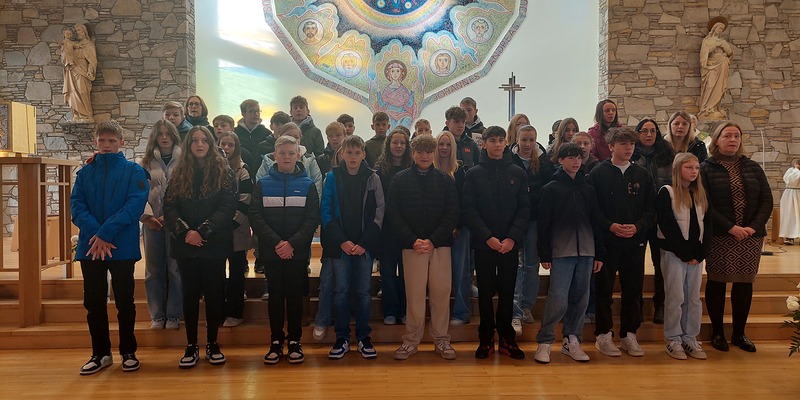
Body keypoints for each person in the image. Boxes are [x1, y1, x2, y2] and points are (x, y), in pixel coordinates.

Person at [71, 120, 149, 375]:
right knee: (94, 302)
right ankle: (100, 353)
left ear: (121, 143)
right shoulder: (85, 173)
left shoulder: (134, 171)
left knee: (125, 301)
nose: (106, 145)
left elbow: (134, 205)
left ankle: (128, 352)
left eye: (112, 141)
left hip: (121, 245)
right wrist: (97, 235)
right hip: (91, 246)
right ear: (95, 142)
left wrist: (105, 233)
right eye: (102, 140)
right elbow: (77, 207)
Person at [164, 126, 238, 368]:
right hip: (186, 244)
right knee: (190, 295)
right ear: (188, 145)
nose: (199, 144)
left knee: (215, 294)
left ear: (210, 144)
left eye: (204, 140)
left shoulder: (224, 171)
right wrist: (186, 232)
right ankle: (191, 344)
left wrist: (203, 231)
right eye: (194, 140)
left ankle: (213, 343)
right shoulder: (178, 172)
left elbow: (227, 206)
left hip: (213, 243)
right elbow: (169, 206)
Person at [701, 121, 772, 353]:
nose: (733, 140)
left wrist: (753, 227)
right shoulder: (706, 168)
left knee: (744, 283)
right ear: (717, 139)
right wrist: (731, 227)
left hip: (750, 237)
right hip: (721, 235)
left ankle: (739, 333)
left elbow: (766, 200)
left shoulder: (752, 167)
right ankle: (717, 332)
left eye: (737, 136)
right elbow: (704, 203)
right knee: (717, 283)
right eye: (727, 135)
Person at [389, 135, 460, 360]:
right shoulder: (400, 180)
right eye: (420, 152)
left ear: (434, 154)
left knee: (441, 294)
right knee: (415, 297)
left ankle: (441, 340)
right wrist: (413, 240)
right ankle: (411, 341)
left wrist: (433, 240)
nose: (424, 156)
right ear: (413, 153)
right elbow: (394, 214)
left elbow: (452, 213)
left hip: (439, 247)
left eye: (429, 152)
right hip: (412, 247)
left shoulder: (445, 180)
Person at [533, 142, 605, 364]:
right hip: (561, 251)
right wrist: (544, 254)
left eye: (579, 157)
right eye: (571, 157)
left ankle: (572, 339)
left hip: (586, 251)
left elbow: (597, 222)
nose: (576, 161)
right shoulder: (551, 189)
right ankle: (545, 341)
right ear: (561, 160)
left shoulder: (588, 189)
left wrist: (599, 253)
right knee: (558, 298)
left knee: (581, 298)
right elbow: (544, 225)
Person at [251, 135, 320, 365]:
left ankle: (295, 341)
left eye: (291, 153)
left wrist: (291, 244)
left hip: (296, 253)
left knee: (294, 297)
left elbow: (311, 219)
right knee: (275, 297)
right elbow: (256, 217)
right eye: (282, 153)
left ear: (298, 155)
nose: (287, 157)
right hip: (272, 252)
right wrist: (277, 243)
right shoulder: (262, 184)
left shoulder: (308, 184)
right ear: (275, 155)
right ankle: (275, 340)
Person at [462, 126, 529, 360]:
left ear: (505, 143)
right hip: (485, 244)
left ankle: (507, 339)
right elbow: (469, 209)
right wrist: (487, 237)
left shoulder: (517, 172)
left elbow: (524, 208)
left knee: (508, 293)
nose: (498, 144)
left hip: (509, 244)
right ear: (484, 144)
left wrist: (511, 238)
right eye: (493, 140)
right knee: (485, 294)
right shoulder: (474, 174)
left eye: (501, 140)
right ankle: (486, 339)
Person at [589, 127, 655, 358]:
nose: (629, 148)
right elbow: (593, 208)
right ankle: (603, 335)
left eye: (632, 144)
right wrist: (609, 225)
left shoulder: (642, 174)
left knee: (633, 289)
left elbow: (650, 208)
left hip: (634, 241)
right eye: (623, 144)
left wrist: (638, 226)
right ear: (611, 147)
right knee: (604, 289)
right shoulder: (598, 173)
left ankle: (629, 334)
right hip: (607, 241)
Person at [320, 135, 384, 360]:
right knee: (342, 291)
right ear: (342, 154)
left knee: (364, 292)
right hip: (341, 247)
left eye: (357, 153)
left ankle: (364, 337)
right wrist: (342, 241)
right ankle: (342, 338)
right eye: (349, 152)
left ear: (363, 154)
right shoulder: (332, 177)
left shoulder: (373, 178)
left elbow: (379, 213)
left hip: (364, 247)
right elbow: (326, 212)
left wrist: (364, 243)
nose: (353, 157)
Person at [657, 153, 711, 360]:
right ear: (678, 169)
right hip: (675, 254)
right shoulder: (667, 192)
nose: (694, 171)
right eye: (689, 167)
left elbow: (707, 225)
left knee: (693, 298)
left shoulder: (700, 194)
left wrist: (701, 253)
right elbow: (667, 225)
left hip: (696, 256)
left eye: (696, 168)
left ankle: (690, 337)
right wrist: (684, 252)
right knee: (676, 296)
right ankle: (673, 339)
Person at [509, 124, 554, 336]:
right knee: (516, 264)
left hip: (535, 219)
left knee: (531, 264)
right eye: (524, 140)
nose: (527, 144)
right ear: (517, 140)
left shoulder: (543, 161)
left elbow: (547, 189)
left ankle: (527, 305)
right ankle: (514, 310)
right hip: (514, 219)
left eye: (531, 140)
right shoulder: (509, 159)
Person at [140, 120, 183, 331]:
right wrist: (147, 217)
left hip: (176, 222)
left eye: (168, 134)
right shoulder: (146, 162)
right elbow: (139, 192)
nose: (164, 138)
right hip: (152, 222)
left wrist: (173, 215)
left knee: (175, 269)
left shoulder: (184, 160)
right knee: (153, 270)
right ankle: (157, 315)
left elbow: (186, 191)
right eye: (160, 134)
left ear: (174, 136)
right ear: (155, 137)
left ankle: (174, 314)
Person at [632, 118, 675, 324]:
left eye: (653, 131)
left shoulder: (667, 154)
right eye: (644, 131)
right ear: (637, 133)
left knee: (661, 265)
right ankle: (636, 306)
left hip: (662, 219)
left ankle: (661, 305)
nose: (649, 135)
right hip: (638, 219)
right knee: (635, 266)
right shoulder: (631, 154)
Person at [375, 128, 413, 325]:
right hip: (387, 229)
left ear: (407, 146)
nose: (398, 146)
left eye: (402, 143)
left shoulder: (413, 167)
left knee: (407, 272)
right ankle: (390, 310)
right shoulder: (380, 169)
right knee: (388, 271)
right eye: (395, 142)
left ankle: (406, 310)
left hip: (408, 229)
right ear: (388, 145)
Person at [435, 131, 471, 327]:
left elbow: (464, 202)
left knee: (460, 271)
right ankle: (439, 314)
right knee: (438, 275)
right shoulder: (429, 169)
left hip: (459, 230)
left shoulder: (460, 171)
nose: (444, 148)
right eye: (441, 144)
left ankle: (461, 312)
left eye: (448, 144)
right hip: (436, 231)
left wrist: (457, 225)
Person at [217, 131, 253, 328]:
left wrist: (229, 224)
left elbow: (245, 201)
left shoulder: (243, 171)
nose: (227, 148)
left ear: (237, 148)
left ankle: (235, 313)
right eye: (223, 144)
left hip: (236, 230)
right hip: (215, 232)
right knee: (217, 273)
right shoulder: (211, 170)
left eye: (231, 145)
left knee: (237, 273)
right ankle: (218, 311)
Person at [699, 17, 733, 120]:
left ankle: (716, 108)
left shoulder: (722, 41)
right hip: (711, 66)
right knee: (710, 85)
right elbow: (704, 53)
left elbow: (730, 53)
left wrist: (724, 46)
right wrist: (715, 45)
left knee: (720, 87)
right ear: (714, 28)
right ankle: (706, 108)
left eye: (722, 29)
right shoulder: (707, 40)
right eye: (719, 28)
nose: (720, 30)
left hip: (722, 64)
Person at [63, 23, 97, 123]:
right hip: (73, 70)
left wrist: (90, 70)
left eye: (79, 30)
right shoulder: (73, 45)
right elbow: (67, 55)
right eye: (76, 30)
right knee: (73, 92)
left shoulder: (89, 44)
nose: (77, 32)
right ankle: (77, 115)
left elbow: (92, 60)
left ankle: (87, 114)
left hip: (83, 70)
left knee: (83, 91)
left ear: (84, 32)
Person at [234, 99, 272, 178]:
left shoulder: (266, 133)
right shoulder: (235, 133)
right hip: (240, 173)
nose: (256, 114)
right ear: (243, 113)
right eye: (252, 111)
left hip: (261, 174)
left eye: (258, 111)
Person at [780, 159, 800, 245]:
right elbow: (791, 181)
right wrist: (797, 170)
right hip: (790, 194)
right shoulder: (791, 171)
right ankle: (789, 236)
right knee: (789, 214)